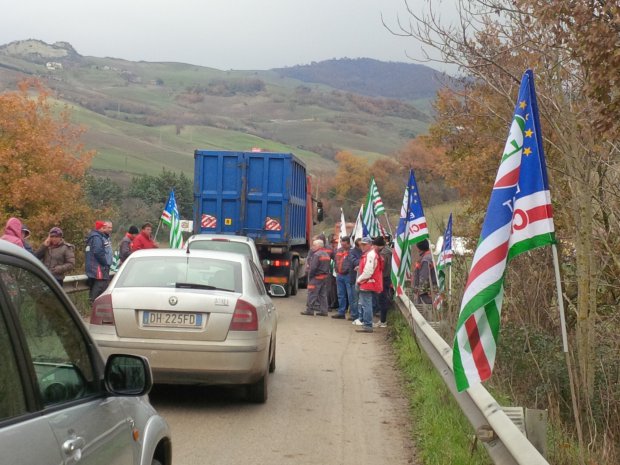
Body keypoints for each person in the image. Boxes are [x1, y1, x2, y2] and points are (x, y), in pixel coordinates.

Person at [353, 236, 383, 333]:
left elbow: (368, 271)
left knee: (366, 304)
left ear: (370, 245)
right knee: (367, 304)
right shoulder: (371, 254)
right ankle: (367, 324)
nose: (362, 246)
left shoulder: (370, 255)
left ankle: (368, 325)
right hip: (370, 282)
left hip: (368, 283)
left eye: (364, 244)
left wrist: (359, 280)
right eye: (361, 244)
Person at [301, 239, 331, 316]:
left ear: (319, 246)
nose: (312, 247)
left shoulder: (316, 255)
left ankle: (309, 310)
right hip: (324, 277)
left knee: (312, 294)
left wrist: (310, 277)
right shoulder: (326, 254)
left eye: (314, 245)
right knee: (322, 295)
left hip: (316, 277)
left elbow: (313, 268)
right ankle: (324, 311)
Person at [85, 220, 113, 303]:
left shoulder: (97, 236)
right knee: (100, 285)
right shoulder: (97, 237)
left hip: (95, 266)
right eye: (104, 227)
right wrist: (105, 263)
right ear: (100, 228)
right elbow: (97, 252)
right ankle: (94, 303)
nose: (105, 229)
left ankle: (93, 302)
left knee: (98, 285)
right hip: (97, 267)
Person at [373, 236, 393, 328]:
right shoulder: (387, 251)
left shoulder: (384, 254)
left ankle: (383, 321)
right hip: (386, 277)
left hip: (384, 278)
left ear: (378, 246)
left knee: (382, 300)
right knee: (382, 299)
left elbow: (382, 266)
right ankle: (382, 320)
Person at [332, 236, 353, 319]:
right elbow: (335, 260)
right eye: (341, 243)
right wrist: (336, 270)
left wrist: (347, 270)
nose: (342, 246)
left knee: (350, 295)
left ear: (348, 243)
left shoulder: (352, 251)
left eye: (344, 244)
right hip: (339, 275)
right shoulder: (339, 250)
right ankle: (341, 312)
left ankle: (352, 313)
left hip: (348, 275)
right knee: (341, 295)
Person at [413, 239, 437, 305]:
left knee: (426, 311)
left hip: (426, 293)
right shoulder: (430, 257)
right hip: (430, 290)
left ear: (420, 248)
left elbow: (424, 277)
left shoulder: (425, 260)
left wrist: (419, 291)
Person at [348, 237, 363, 321]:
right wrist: (363, 262)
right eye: (361, 244)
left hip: (364, 279)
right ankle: (354, 315)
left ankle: (361, 315)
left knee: (362, 299)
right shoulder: (352, 252)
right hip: (354, 278)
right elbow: (354, 262)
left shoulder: (366, 252)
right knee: (355, 298)